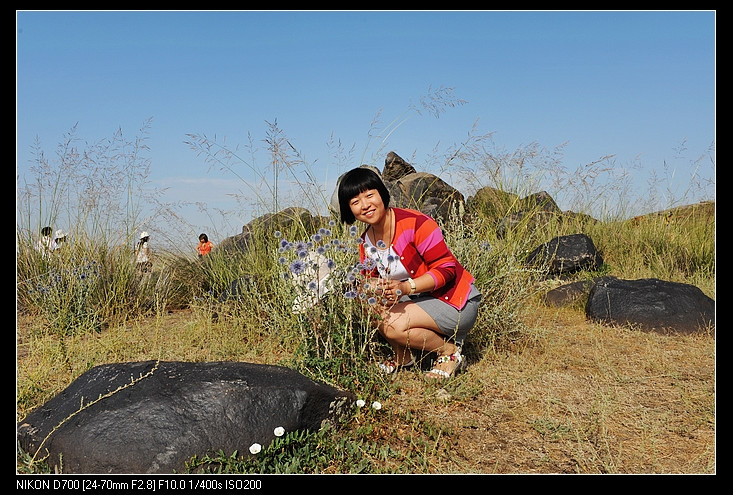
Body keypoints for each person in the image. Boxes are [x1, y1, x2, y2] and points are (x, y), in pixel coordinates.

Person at [337, 167, 482, 379]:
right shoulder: (365, 240)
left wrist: (406, 287)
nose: (365, 205)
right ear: (349, 209)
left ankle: (449, 352)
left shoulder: (415, 224)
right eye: (355, 201)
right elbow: (370, 282)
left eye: (369, 195)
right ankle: (403, 356)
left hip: (455, 301)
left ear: (382, 194)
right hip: (420, 301)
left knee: (391, 323)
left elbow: (447, 269)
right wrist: (367, 287)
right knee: (367, 301)